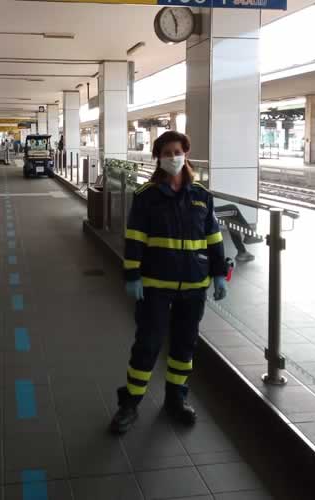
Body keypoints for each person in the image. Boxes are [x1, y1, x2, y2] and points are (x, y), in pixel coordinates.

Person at [110, 131, 228, 435]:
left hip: (193, 285)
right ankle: (130, 403)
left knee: (184, 345)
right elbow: (135, 238)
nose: (173, 157)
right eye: (166, 152)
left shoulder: (202, 196)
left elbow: (213, 239)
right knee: (148, 344)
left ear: (185, 153)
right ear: (159, 158)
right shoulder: (147, 195)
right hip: (154, 285)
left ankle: (176, 399)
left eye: (177, 151)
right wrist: (132, 275)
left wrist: (219, 273)